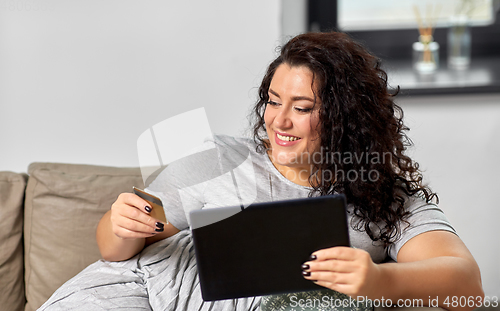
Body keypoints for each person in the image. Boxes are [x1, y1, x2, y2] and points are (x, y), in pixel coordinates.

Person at [39, 31, 483, 311]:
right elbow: (114, 250)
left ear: (348, 119)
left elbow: (467, 286)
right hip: (134, 291)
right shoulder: (218, 159)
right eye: (273, 101)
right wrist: (123, 225)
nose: (279, 121)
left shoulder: (386, 197)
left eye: (303, 107)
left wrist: (378, 279)